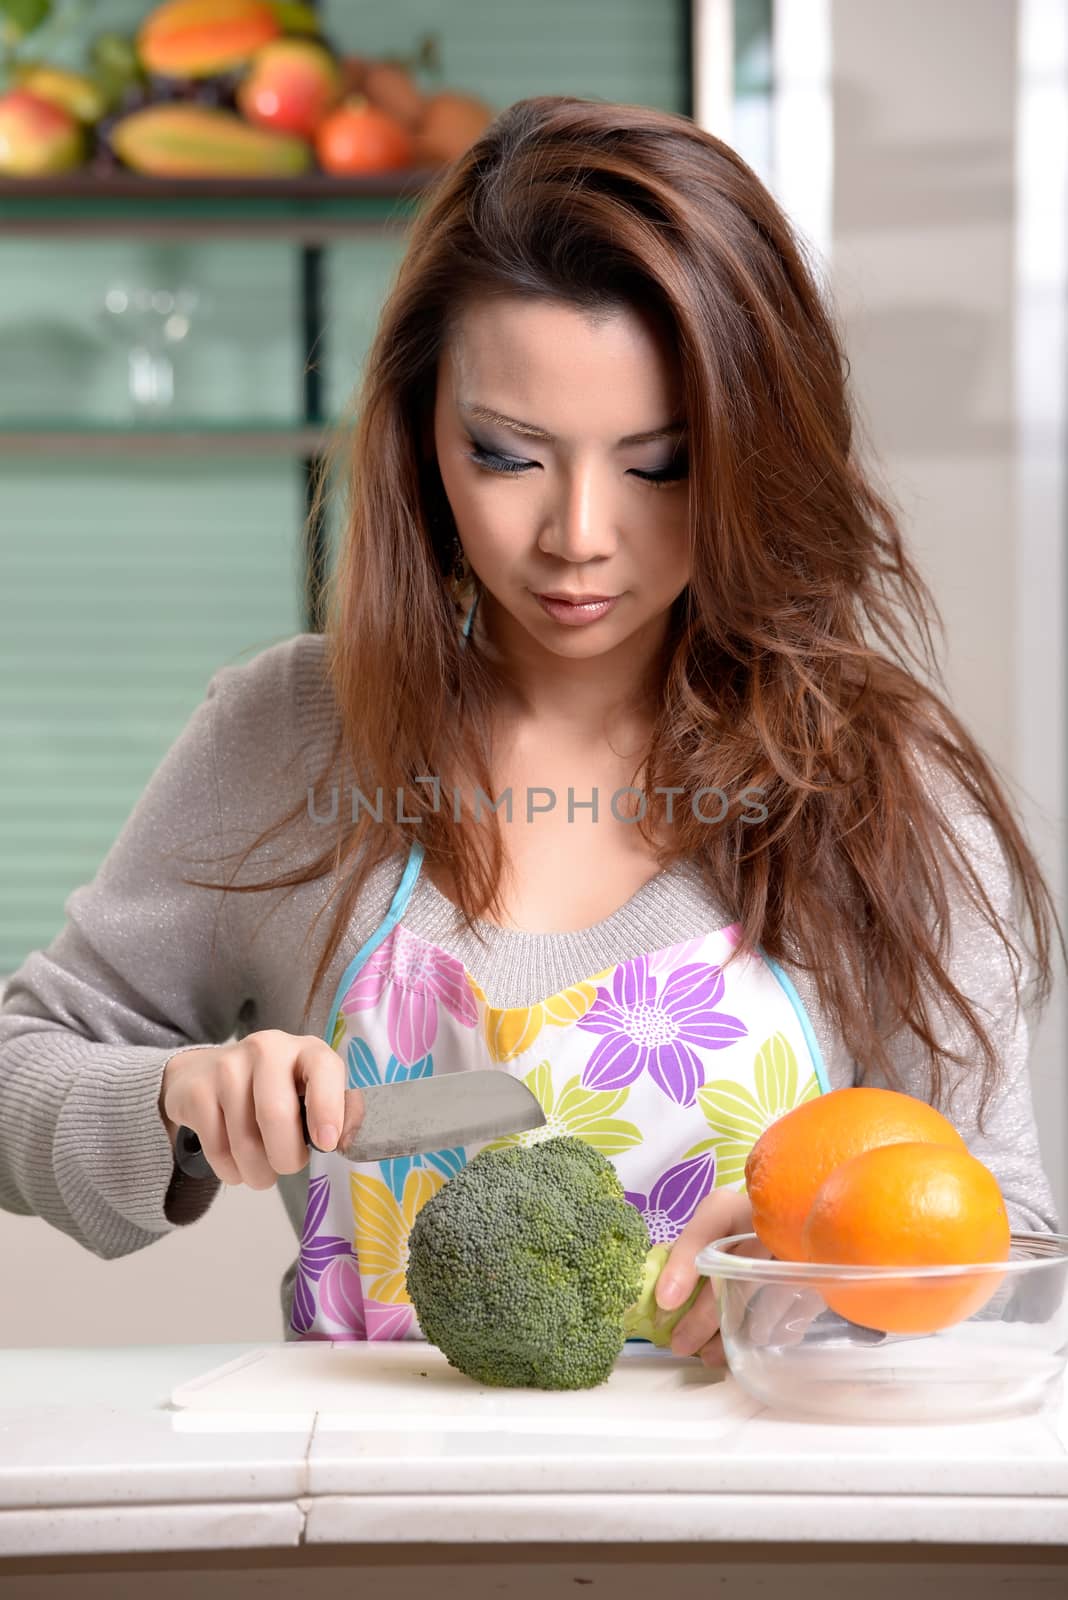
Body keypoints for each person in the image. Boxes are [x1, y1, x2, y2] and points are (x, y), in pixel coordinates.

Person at [1, 96, 1061, 1366]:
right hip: (359, 1540)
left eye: (659, 464)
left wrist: (828, 1276)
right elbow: (22, 1069)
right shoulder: (291, 736)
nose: (578, 535)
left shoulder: (884, 782)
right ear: (420, 437)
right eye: (507, 454)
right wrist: (172, 1101)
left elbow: (1009, 1234)